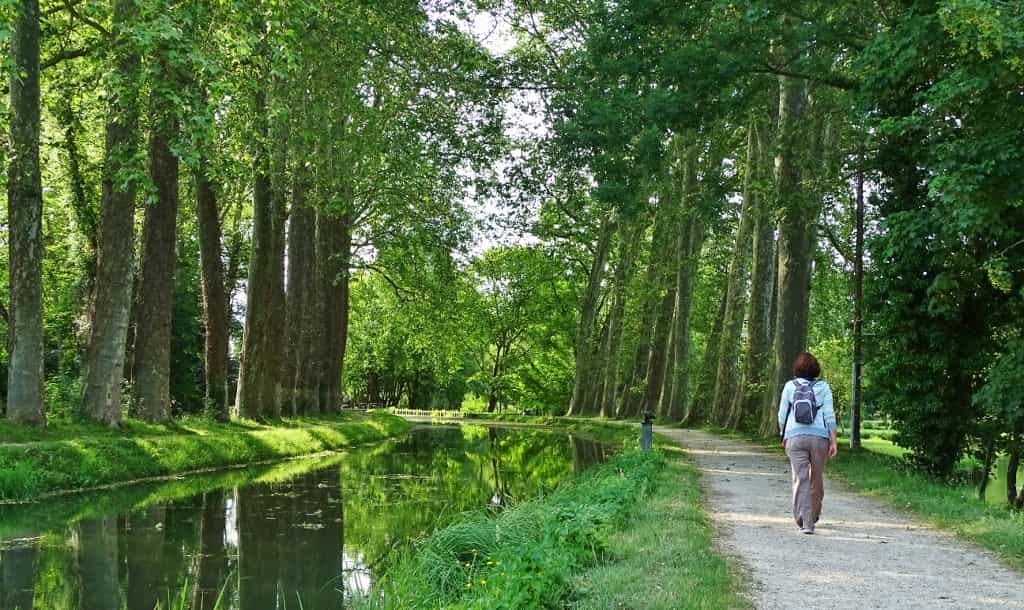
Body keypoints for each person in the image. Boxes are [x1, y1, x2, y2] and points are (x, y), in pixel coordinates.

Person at [777, 352, 837, 534]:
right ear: (815, 369)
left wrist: (783, 434)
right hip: (820, 438)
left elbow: (782, 414)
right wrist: (833, 440)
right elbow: (829, 415)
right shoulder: (823, 387)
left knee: (800, 478)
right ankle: (813, 516)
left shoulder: (789, 386)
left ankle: (804, 520)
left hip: (795, 437)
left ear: (797, 369)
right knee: (816, 478)